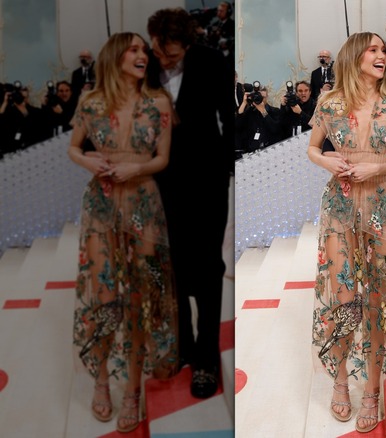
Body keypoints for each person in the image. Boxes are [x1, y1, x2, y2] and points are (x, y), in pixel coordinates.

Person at [309, 31, 386, 434]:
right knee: (343, 296)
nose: (382, 55)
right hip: (339, 203)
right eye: (373, 49)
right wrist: (329, 162)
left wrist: (375, 167)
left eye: (383, 50)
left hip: (382, 203)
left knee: (377, 297)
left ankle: (371, 390)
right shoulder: (330, 102)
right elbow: (312, 148)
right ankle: (341, 381)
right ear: (354, 56)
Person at [68, 32, 177, 434]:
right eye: (133, 49)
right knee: (105, 295)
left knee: (137, 297)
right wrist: (88, 161)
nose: (142, 55)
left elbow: (162, 158)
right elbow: (74, 147)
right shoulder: (91, 102)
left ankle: (132, 389)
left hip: (143, 202)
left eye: (144, 50)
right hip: (101, 202)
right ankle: (101, 380)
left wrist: (136, 168)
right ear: (115, 56)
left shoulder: (159, 102)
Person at [146, 7, 234, 399]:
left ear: (188, 44)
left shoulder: (212, 60)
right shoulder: (143, 63)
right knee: (170, 264)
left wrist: (226, 167)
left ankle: (206, 358)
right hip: (158, 180)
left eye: (173, 55)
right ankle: (180, 345)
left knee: (208, 266)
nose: (165, 61)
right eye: (160, 52)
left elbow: (227, 118)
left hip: (206, 179)